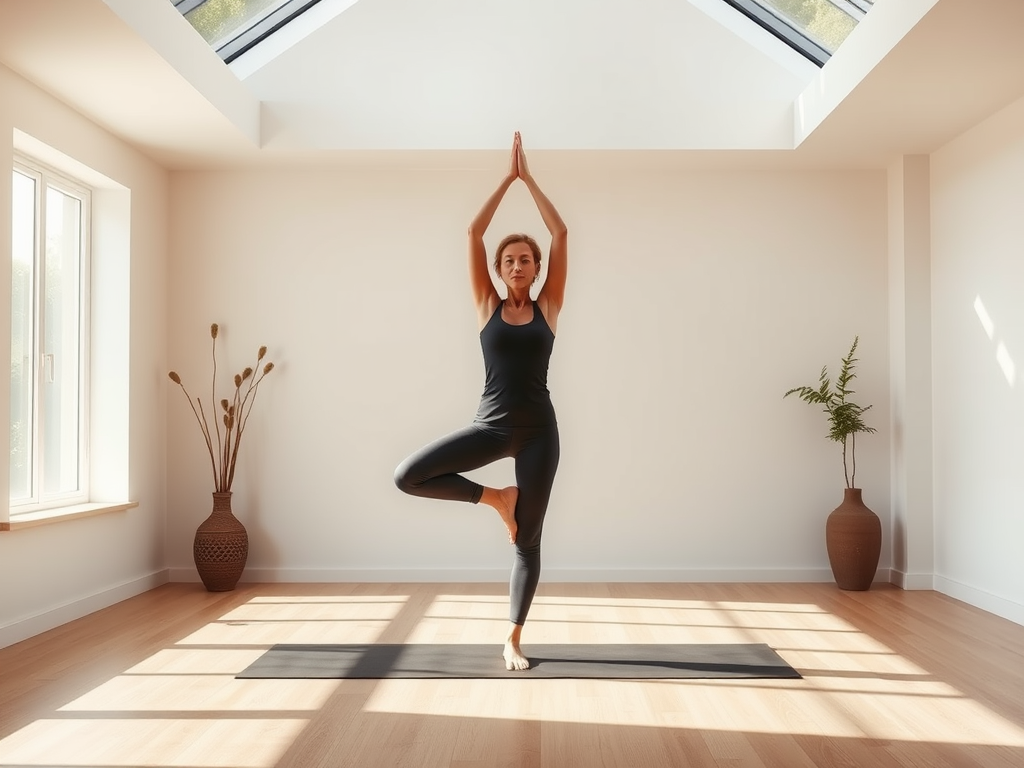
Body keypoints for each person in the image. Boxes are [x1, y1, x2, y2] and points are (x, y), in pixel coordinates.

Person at [394, 131, 567, 671]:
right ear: (499, 269)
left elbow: (560, 231)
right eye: (510, 261)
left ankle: (512, 638)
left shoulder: (549, 308)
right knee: (408, 475)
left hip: (540, 433)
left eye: (526, 261)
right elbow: (473, 230)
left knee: (529, 540)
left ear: (537, 269)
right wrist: (506, 179)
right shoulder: (486, 305)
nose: (518, 267)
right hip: (490, 428)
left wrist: (530, 180)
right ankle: (496, 498)